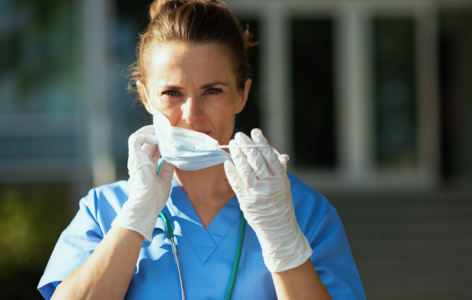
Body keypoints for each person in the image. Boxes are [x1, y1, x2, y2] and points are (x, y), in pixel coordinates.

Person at [38, 0, 366, 299]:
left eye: (212, 91)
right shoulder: (105, 209)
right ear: (145, 96)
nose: (192, 115)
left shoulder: (303, 212)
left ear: (242, 94)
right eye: (172, 93)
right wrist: (135, 217)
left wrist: (283, 238)